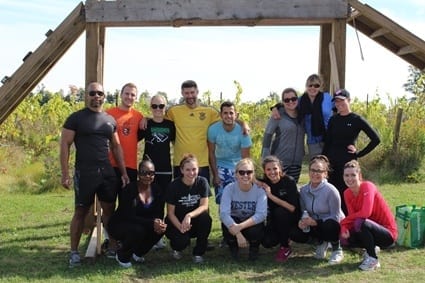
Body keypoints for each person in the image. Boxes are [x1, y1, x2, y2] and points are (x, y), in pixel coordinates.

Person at [60, 82, 130, 268]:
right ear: (87, 95)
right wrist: (65, 173)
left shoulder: (109, 120)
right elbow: (65, 145)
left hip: (106, 173)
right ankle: (74, 252)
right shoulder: (76, 118)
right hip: (85, 173)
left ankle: (113, 245)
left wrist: (123, 173)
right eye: (92, 93)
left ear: (104, 96)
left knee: (109, 211)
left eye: (100, 93)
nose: (96, 96)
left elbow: (116, 147)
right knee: (80, 212)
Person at [322, 89, 380, 214]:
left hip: (347, 163)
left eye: (342, 101)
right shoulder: (333, 120)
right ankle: (335, 222)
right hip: (332, 163)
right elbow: (328, 142)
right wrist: (323, 160)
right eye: (336, 101)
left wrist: (359, 153)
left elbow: (376, 139)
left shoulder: (356, 119)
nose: (339, 104)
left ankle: (351, 223)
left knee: (348, 192)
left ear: (348, 100)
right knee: (333, 192)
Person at [104, 82, 144, 255]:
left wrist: (146, 120)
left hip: (131, 168)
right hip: (111, 167)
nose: (129, 97)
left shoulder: (138, 115)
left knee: (128, 206)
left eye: (133, 95)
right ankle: (111, 242)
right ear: (121, 95)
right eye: (127, 94)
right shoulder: (109, 114)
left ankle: (126, 239)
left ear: (136, 97)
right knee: (109, 206)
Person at [107, 159, 167, 268]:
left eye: (151, 173)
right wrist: (151, 222)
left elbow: (159, 212)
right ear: (139, 174)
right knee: (138, 230)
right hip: (121, 223)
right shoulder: (129, 190)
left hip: (143, 223)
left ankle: (138, 252)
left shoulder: (157, 190)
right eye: (144, 173)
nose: (148, 176)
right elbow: (127, 215)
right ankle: (122, 255)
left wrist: (159, 222)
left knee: (161, 228)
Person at [340, 160, 397, 271]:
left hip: (387, 233)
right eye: (346, 175)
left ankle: (373, 259)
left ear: (359, 175)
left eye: (353, 175)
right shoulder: (347, 193)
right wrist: (343, 227)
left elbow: (366, 213)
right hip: (367, 228)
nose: (349, 178)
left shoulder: (368, 186)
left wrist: (344, 221)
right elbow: (352, 216)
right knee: (345, 238)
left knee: (360, 222)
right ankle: (371, 248)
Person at [291, 155, 345, 265]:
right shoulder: (304, 190)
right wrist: (303, 221)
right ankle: (321, 242)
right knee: (294, 232)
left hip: (333, 225)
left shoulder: (331, 191)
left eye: (319, 171)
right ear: (309, 171)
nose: (315, 173)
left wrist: (316, 222)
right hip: (314, 224)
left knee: (330, 225)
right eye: (313, 170)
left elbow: (335, 217)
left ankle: (337, 249)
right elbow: (304, 211)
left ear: (325, 173)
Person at [138, 94, 175, 250]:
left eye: (161, 106)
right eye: (154, 106)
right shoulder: (146, 124)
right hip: (148, 171)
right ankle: (148, 234)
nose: (158, 109)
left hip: (165, 170)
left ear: (165, 107)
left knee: (163, 203)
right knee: (148, 202)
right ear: (150, 108)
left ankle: (159, 236)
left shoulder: (170, 125)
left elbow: (177, 141)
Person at [272, 74, 333, 159]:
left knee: (331, 168)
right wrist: (275, 108)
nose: (313, 88)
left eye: (316, 85)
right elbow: (287, 104)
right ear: (306, 86)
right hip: (313, 142)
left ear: (320, 86)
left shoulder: (327, 98)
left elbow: (339, 108)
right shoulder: (301, 101)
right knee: (316, 168)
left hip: (329, 139)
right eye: (310, 85)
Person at [165, 154, 212, 263]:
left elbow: (204, 206)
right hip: (177, 222)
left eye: (194, 169)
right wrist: (181, 227)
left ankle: (198, 253)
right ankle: (177, 249)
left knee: (205, 218)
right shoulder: (174, 185)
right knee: (181, 241)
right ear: (181, 170)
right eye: (187, 170)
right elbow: (170, 213)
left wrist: (189, 215)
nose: (191, 173)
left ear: (198, 169)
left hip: (194, 221)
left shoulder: (202, 182)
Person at [220, 158, 267, 261]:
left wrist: (240, 227)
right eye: (241, 172)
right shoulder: (229, 188)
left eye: (249, 172)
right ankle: (233, 247)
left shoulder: (260, 191)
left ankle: (254, 247)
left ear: (253, 174)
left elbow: (261, 214)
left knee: (257, 226)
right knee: (227, 223)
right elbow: (224, 214)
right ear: (236, 174)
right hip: (235, 221)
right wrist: (238, 233)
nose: (245, 175)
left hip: (250, 223)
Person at [207, 101, 252, 204]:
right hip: (221, 167)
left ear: (236, 115)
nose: (228, 116)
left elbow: (246, 158)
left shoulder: (243, 131)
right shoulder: (213, 130)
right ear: (221, 115)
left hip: (238, 167)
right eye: (225, 113)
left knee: (239, 201)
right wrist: (215, 174)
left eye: (231, 113)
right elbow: (211, 153)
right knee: (223, 202)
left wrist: (244, 174)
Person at [259, 155, 300, 262]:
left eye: (275, 168)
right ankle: (282, 237)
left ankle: (285, 246)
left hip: (291, 218)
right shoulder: (265, 183)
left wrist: (270, 195)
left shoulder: (289, 181)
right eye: (268, 169)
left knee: (280, 212)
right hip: (274, 219)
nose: (272, 172)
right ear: (264, 171)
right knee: (267, 242)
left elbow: (292, 208)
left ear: (280, 169)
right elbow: (251, 178)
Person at [262, 88, 305, 182]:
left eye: (293, 99)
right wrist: (265, 158)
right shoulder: (277, 115)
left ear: (297, 99)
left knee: (291, 190)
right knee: (277, 189)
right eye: (287, 100)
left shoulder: (302, 115)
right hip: (279, 162)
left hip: (297, 162)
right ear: (283, 102)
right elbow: (267, 136)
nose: (290, 102)